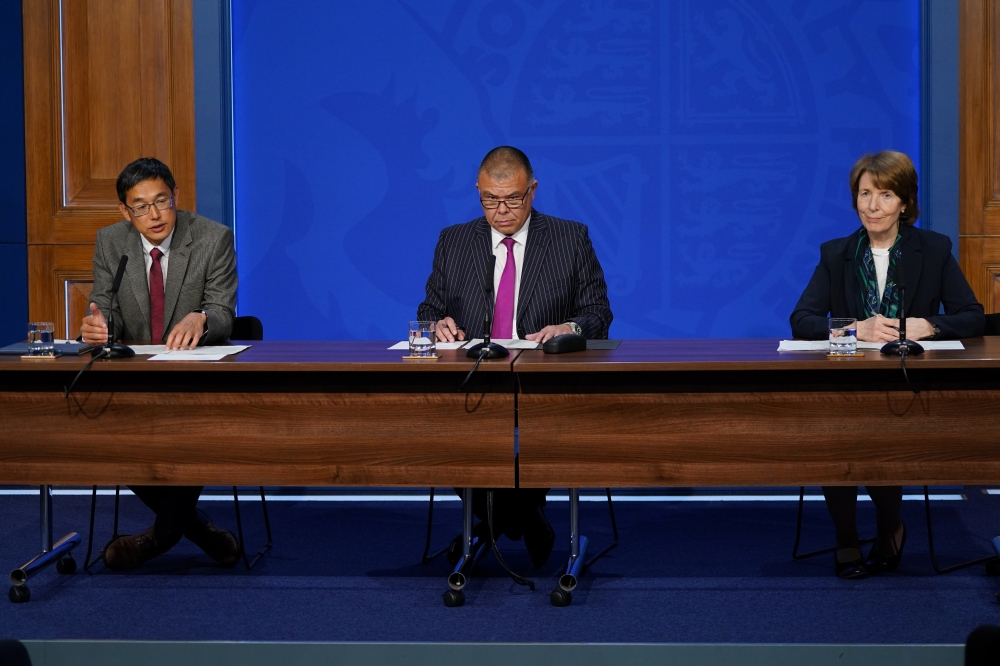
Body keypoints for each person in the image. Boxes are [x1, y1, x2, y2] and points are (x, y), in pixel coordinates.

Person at [790, 150, 985, 579]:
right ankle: (845, 539)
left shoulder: (931, 249)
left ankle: (888, 529)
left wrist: (927, 325)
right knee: (838, 439)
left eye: (885, 195)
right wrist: (853, 329)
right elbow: (802, 321)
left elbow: (972, 315)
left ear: (905, 203)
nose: (872, 206)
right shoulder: (836, 253)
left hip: (904, 384)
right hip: (844, 382)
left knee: (882, 436)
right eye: (864, 194)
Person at [418, 146, 613, 568]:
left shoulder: (569, 237)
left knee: (526, 430)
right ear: (477, 191)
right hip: (473, 382)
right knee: (437, 425)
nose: (501, 210)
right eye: (490, 200)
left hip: (544, 385)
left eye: (513, 199)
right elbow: (429, 309)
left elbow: (598, 312)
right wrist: (438, 325)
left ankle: (488, 525)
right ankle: (523, 517)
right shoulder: (453, 241)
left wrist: (570, 328)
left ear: (533, 191)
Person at [79, 157, 241, 570]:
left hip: (193, 378)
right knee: (105, 429)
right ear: (124, 211)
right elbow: (107, 306)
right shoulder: (110, 242)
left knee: (192, 432)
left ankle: (159, 538)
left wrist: (201, 318)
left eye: (161, 201)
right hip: (134, 379)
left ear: (176, 197)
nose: (153, 215)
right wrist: (100, 327)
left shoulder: (212, 237)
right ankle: (199, 530)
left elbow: (224, 310)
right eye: (140, 206)